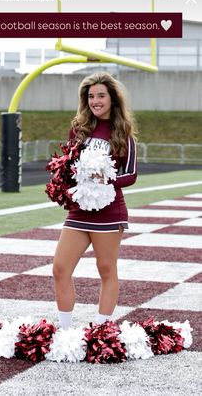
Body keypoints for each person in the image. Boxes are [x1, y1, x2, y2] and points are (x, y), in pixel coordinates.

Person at [52, 72, 137, 329]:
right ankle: (65, 331)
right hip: (80, 210)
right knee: (60, 268)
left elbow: (131, 174)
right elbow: (68, 165)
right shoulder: (79, 129)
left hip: (110, 212)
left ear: (112, 99)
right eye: (91, 96)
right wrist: (62, 180)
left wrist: (105, 180)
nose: (95, 101)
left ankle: (101, 331)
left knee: (106, 269)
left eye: (101, 95)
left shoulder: (123, 133)